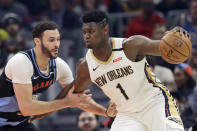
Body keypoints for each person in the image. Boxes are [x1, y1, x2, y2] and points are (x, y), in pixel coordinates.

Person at [34, 11, 188, 131]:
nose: (86, 35)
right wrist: (38, 112)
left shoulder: (131, 46)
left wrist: (175, 38)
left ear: (105, 30)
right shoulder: (86, 66)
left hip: (155, 104)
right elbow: (69, 94)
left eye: (91, 31)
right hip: (127, 114)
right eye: (84, 31)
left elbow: (163, 47)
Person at [0, 21, 93, 131]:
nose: (56, 44)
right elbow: (26, 108)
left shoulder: (59, 65)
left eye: (58, 40)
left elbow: (76, 95)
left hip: (19, 122)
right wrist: (65, 102)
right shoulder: (21, 61)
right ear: (37, 42)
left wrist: (106, 111)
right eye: (51, 40)